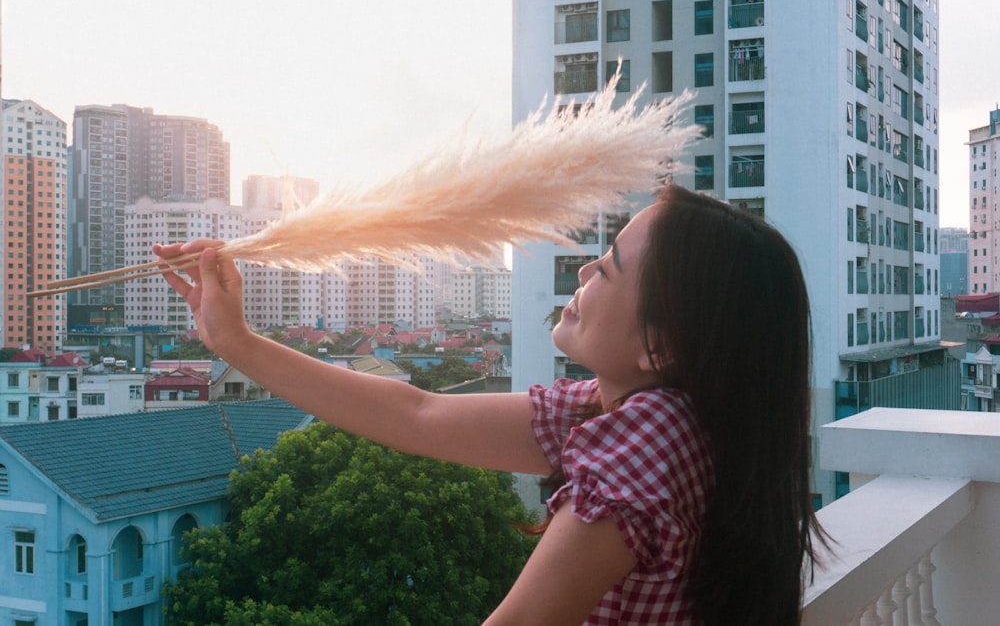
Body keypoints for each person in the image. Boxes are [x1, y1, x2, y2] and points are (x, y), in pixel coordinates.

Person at [155, 182, 824, 625]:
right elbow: (416, 415)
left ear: (659, 345)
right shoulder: (660, 417)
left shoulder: (644, 444)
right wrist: (235, 342)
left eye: (611, 265)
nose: (587, 270)